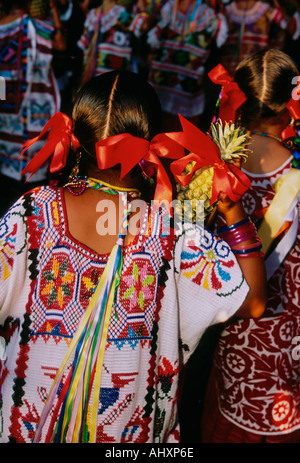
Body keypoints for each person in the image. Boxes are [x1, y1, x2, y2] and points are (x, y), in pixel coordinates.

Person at [0, 70, 266, 443]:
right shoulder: (172, 229)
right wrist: (232, 212)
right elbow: (253, 301)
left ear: (76, 138)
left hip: (26, 429)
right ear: (153, 142)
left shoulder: (31, 213)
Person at [202, 48, 300, 443]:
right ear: (290, 107)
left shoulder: (212, 171)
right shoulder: (294, 177)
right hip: (288, 342)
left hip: (233, 331)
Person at [0, 0, 62, 216]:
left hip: (7, 111)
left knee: (8, 166)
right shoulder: (38, 27)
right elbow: (61, 46)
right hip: (37, 105)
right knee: (32, 173)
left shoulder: (3, 26)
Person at [146, 0, 228, 131]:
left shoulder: (208, 16)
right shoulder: (167, 9)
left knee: (183, 134)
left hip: (188, 89)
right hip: (160, 86)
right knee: (155, 128)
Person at [220, 0, 299, 76]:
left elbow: (291, 27)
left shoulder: (265, 9)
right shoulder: (226, 10)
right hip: (230, 71)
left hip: (256, 71)